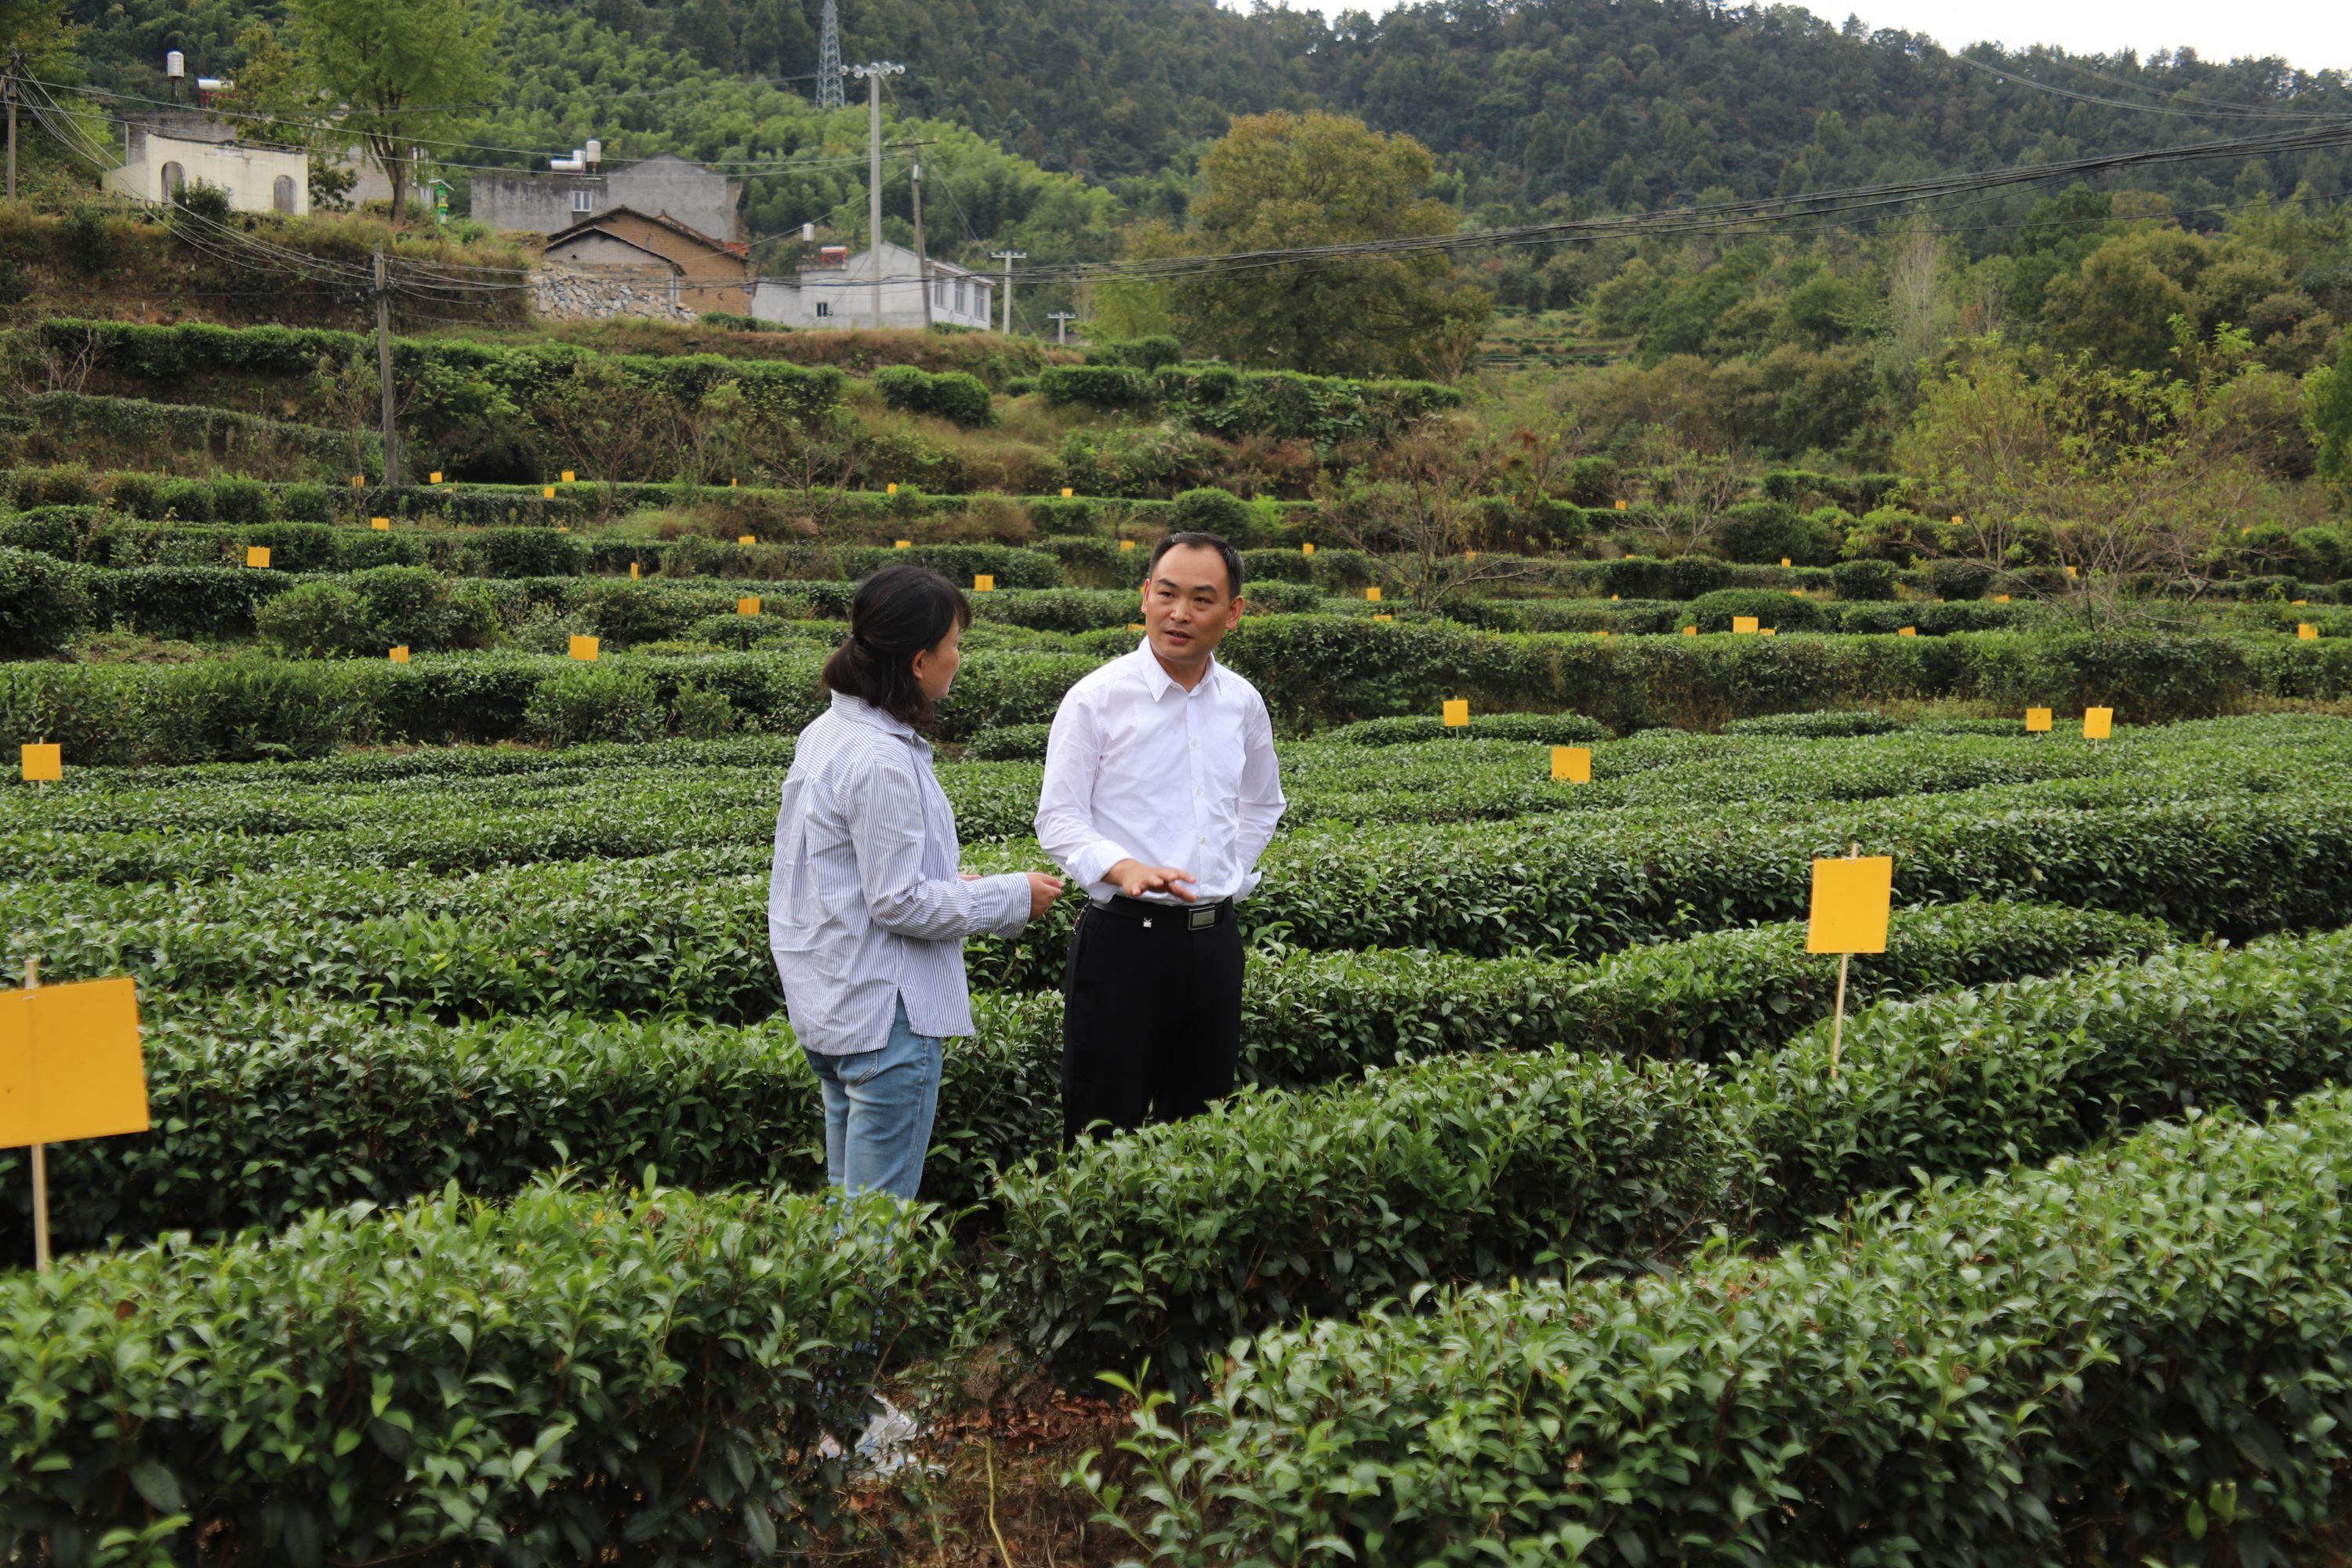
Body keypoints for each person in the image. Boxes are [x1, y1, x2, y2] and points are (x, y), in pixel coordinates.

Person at [771, 564, 1065, 1200]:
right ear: (917, 660)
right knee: (876, 1226)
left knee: (850, 1211)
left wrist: (947, 880)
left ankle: (842, 1303)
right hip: (886, 1019)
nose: (959, 658)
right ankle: (869, 1305)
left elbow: (840, 874)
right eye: (954, 644)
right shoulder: (879, 759)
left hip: (835, 1006)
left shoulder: (827, 734)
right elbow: (897, 902)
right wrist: (1011, 895)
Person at [1036, 530, 1287, 1145]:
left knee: (1199, 1126)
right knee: (1101, 1122)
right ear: (1144, 595)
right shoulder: (1096, 698)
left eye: (1202, 600)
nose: (1180, 614)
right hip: (1124, 941)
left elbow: (1262, 802)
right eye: (1167, 593)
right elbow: (1059, 817)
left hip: (1214, 944)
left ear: (1233, 613)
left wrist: (1230, 868)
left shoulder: (1243, 703)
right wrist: (1121, 866)